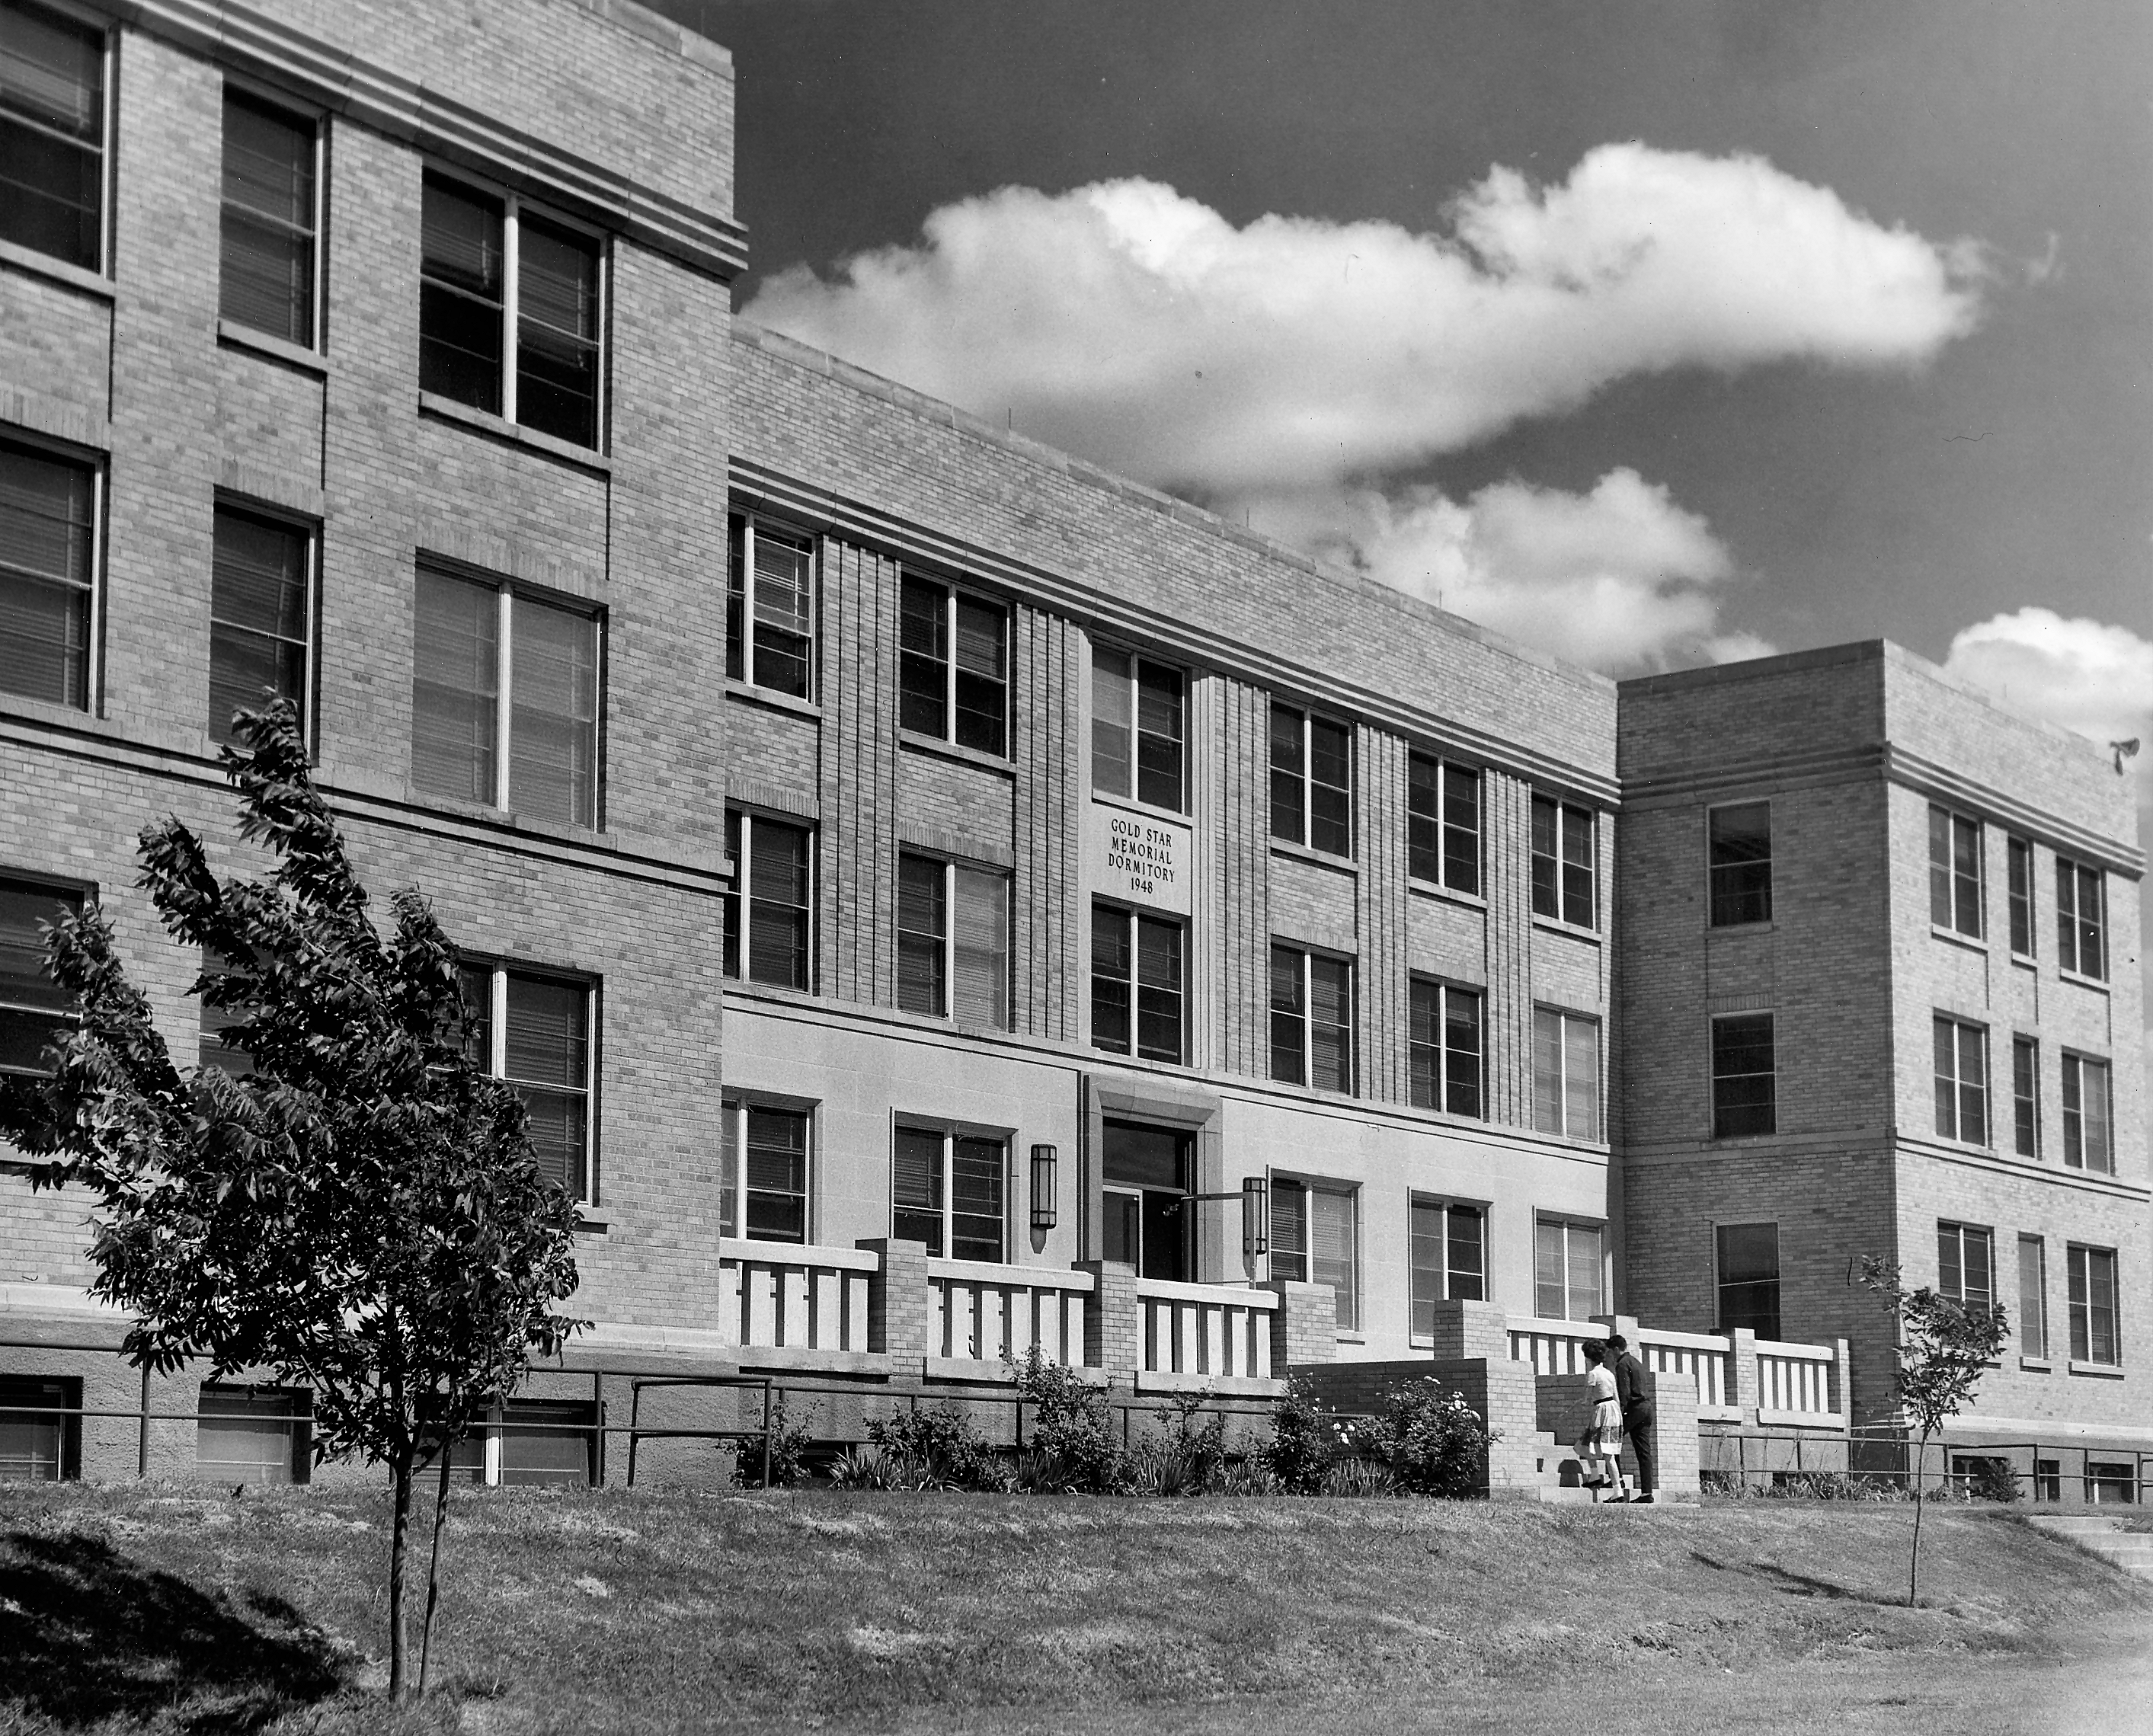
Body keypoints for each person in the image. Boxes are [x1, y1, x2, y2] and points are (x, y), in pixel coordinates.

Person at [1577, 1341, 1630, 1501]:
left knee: (1588, 1446)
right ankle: (1604, 1483)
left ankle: (1608, 1485)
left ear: (1588, 1358)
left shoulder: (1593, 1374)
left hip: (1601, 1411)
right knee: (1604, 1451)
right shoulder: (1609, 1374)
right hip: (1614, 1412)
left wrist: (1582, 1401)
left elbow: (1587, 1399)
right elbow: (1617, 1398)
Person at [1607, 1332, 1655, 1504]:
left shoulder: (1622, 1365)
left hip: (1633, 1408)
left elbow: (1624, 1393)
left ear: (1617, 1349)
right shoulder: (1636, 1362)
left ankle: (1617, 1481)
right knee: (1644, 1452)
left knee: (1611, 1440)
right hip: (1646, 1408)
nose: (1611, 1356)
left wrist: (1618, 1413)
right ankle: (1647, 1492)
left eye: (1611, 1352)